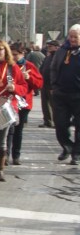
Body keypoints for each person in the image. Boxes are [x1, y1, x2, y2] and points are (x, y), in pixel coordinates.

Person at [0, 40, 28, 181]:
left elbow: (24, 88)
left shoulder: (12, 68)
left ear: (5, 51)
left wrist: (14, 88)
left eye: (0, 49)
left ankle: (0, 170)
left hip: (5, 106)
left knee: (2, 141)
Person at [49, 24, 80, 165]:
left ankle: (76, 154)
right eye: (71, 36)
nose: (72, 39)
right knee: (60, 124)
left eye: (75, 37)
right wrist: (54, 86)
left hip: (78, 94)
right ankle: (67, 146)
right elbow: (53, 68)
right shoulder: (62, 50)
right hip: (61, 93)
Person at [7, 43, 43, 165]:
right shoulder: (6, 66)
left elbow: (39, 84)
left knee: (18, 129)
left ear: (23, 54)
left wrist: (28, 77)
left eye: (15, 54)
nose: (13, 56)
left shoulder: (29, 66)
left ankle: (16, 155)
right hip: (8, 102)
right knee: (8, 129)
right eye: (10, 54)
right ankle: (5, 156)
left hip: (23, 103)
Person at [38, 40, 59, 128]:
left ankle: (56, 122)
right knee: (45, 104)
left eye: (50, 46)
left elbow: (58, 72)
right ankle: (47, 121)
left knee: (54, 104)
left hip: (52, 85)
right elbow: (42, 69)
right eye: (48, 46)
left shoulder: (58, 57)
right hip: (44, 84)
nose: (49, 48)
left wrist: (55, 85)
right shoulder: (48, 57)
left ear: (56, 47)